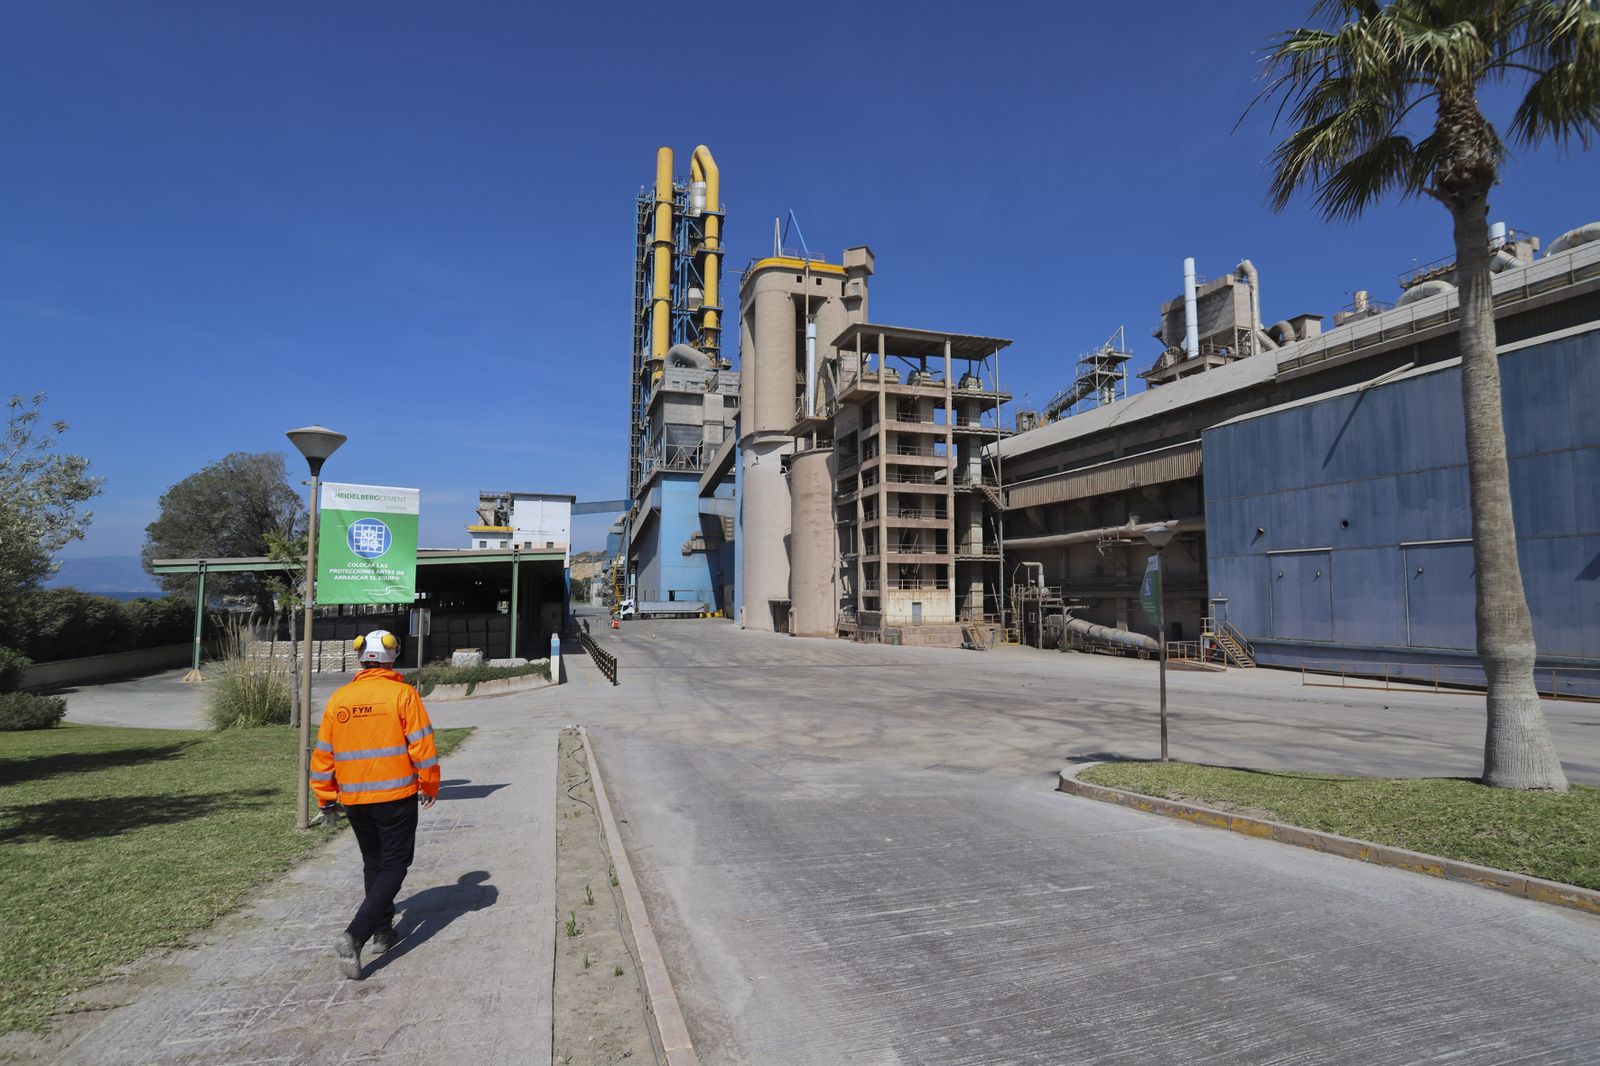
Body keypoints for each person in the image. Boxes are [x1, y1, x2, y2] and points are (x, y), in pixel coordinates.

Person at [310, 628, 440, 980]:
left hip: (354, 800)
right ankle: (356, 934)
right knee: (395, 865)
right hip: (395, 797)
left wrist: (325, 798)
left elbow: (323, 755)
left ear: (360, 657)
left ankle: (384, 932)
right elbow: (422, 745)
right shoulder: (403, 695)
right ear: (392, 656)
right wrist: (429, 783)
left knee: (374, 863)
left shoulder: (339, 699)